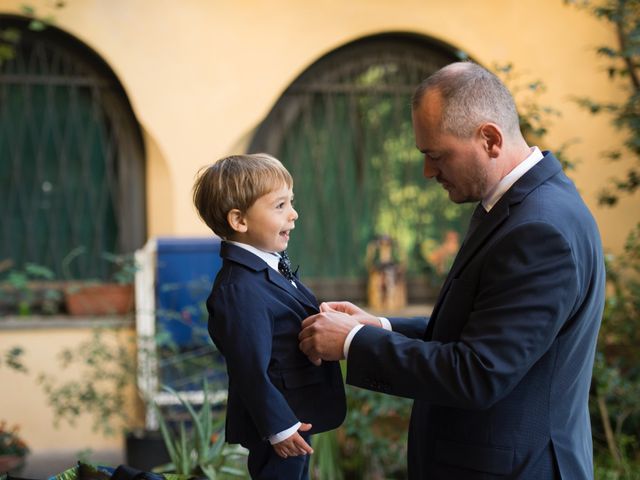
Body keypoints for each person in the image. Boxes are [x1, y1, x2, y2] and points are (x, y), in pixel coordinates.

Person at [298, 62, 605, 479]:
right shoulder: (526, 206)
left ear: (490, 139)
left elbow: (478, 372)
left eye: (436, 155)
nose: (428, 172)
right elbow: (480, 329)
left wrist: (353, 342)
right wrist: (380, 326)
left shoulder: (538, 229)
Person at [193, 153, 346, 480]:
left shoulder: (267, 266)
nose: (293, 214)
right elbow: (248, 367)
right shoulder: (239, 290)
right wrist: (278, 426)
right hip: (280, 423)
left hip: (296, 413)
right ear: (239, 221)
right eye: (280, 206)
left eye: (291, 202)